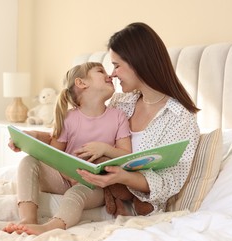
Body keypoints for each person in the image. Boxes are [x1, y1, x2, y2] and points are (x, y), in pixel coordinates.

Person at [77, 22, 200, 216]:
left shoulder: (180, 117)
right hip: (95, 189)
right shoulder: (120, 102)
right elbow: (86, 132)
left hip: (134, 205)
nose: (112, 74)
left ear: (138, 62)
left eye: (117, 65)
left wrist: (124, 177)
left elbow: (169, 181)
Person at [3, 62, 132, 235]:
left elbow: (126, 154)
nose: (110, 74)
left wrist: (104, 148)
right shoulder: (69, 118)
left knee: (76, 193)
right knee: (28, 161)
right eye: (101, 71)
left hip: (94, 185)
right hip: (63, 179)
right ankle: (28, 219)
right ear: (81, 83)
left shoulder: (118, 117)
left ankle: (51, 226)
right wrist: (66, 174)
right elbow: (53, 155)